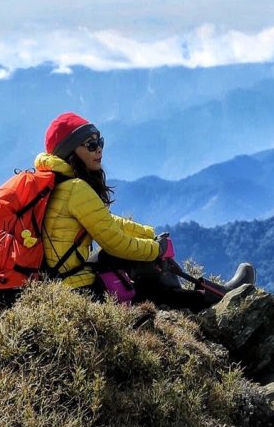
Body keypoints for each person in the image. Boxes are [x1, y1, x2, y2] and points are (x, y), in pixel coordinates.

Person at [37, 111, 255, 311]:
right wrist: (155, 250)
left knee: (140, 258)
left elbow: (106, 222)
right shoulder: (76, 189)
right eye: (91, 145)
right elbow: (115, 243)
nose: (99, 149)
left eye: (99, 141)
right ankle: (221, 300)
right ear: (70, 152)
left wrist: (148, 234)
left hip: (62, 282)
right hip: (79, 290)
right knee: (152, 287)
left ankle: (215, 294)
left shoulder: (60, 184)